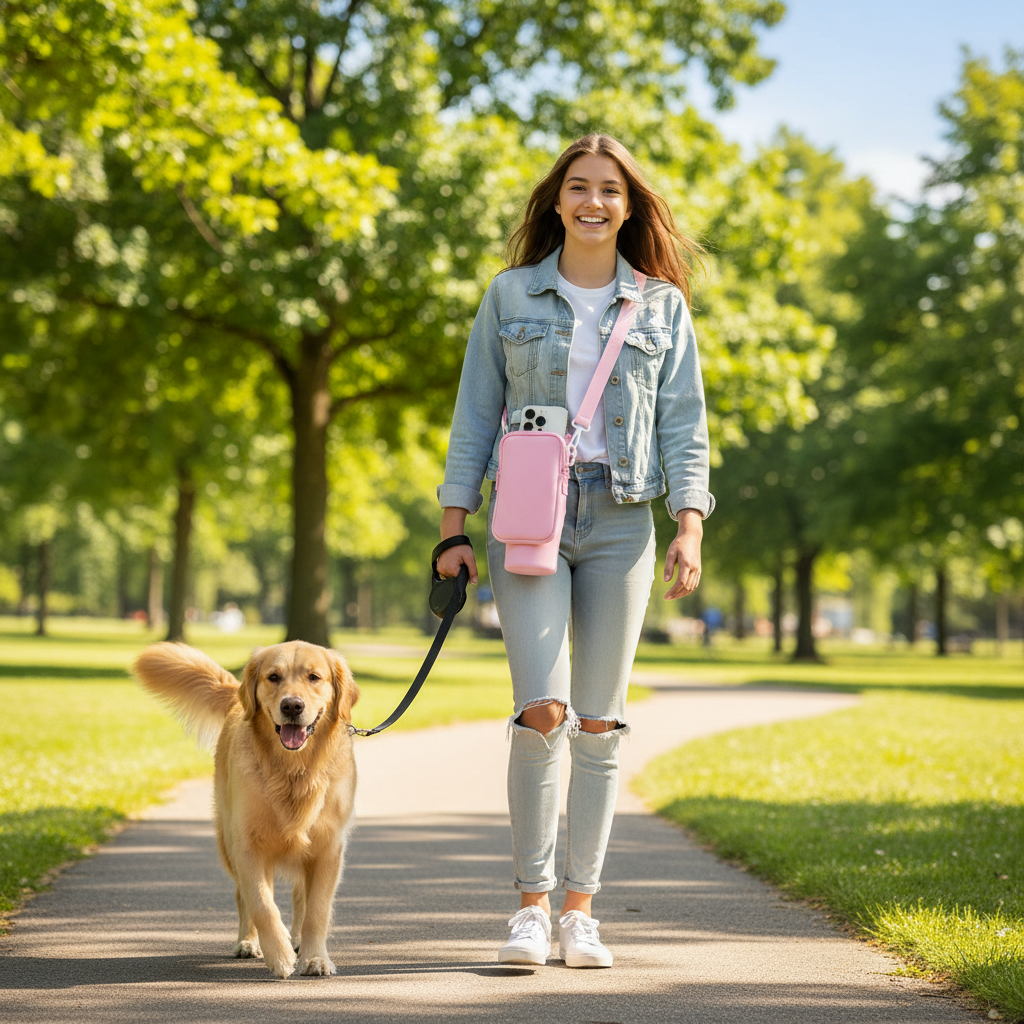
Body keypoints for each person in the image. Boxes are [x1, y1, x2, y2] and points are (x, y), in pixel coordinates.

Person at [435, 134, 714, 969]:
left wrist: (689, 519)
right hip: (530, 517)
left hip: (624, 518)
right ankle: (530, 906)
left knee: (599, 722)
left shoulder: (661, 306)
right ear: (556, 201)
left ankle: (581, 912)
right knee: (542, 711)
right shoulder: (511, 294)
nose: (594, 202)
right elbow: (474, 416)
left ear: (630, 207)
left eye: (610, 190)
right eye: (579, 187)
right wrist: (453, 527)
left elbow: (684, 425)